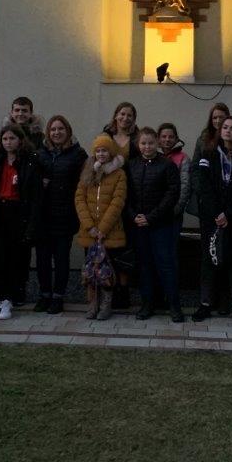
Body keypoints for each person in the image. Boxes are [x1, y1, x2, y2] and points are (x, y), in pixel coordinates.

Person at [192, 116, 232, 324]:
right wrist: (217, 214)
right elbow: (204, 186)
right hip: (211, 218)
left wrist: (229, 214)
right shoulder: (208, 154)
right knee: (208, 260)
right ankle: (205, 304)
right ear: (220, 131)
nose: (228, 131)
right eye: (225, 127)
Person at [0, 124, 43, 320]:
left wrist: (31, 224)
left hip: (18, 214)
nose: (8, 142)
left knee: (14, 260)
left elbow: (35, 195)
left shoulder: (30, 161)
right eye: (5, 139)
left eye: (12, 138)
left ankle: (8, 299)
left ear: (20, 140)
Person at [126, 128, 183, 322]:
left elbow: (172, 194)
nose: (147, 147)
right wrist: (133, 216)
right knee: (145, 266)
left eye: (150, 143)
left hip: (161, 225)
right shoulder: (131, 165)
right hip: (139, 225)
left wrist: (151, 217)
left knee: (166, 265)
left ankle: (174, 306)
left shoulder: (167, 165)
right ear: (138, 144)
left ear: (157, 143)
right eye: (143, 143)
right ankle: (147, 304)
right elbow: (126, 195)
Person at [36, 115, 87, 314]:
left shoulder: (78, 154)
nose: (56, 133)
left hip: (65, 215)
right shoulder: (40, 153)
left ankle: (58, 297)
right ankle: (44, 295)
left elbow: (83, 183)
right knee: (42, 259)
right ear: (48, 133)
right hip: (43, 215)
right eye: (53, 129)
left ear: (68, 131)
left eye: (60, 129)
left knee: (61, 259)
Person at [75, 135, 127, 320]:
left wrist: (103, 229)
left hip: (109, 232)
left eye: (104, 150)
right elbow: (79, 199)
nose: (101, 154)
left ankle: (106, 305)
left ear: (110, 152)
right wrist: (90, 226)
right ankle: (92, 304)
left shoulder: (119, 174)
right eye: (98, 151)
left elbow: (117, 202)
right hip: (90, 232)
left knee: (106, 271)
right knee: (91, 270)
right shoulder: (88, 171)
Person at [102, 101, 138, 308]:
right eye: (122, 114)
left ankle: (123, 292)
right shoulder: (105, 137)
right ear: (116, 115)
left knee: (125, 246)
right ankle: (109, 288)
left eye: (129, 115)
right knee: (108, 246)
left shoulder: (137, 139)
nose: (125, 118)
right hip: (107, 196)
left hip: (129, 197)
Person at [158, 123, 191, 223]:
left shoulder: (183, 158)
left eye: (171, 137)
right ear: (158, 139)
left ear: (176, 139)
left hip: (173, 211)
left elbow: (185, 186)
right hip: (153, 211)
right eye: (164, 136)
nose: (167, 139)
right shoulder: (153, 156)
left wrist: (177, 208)